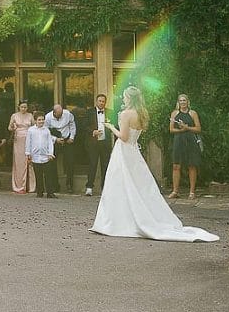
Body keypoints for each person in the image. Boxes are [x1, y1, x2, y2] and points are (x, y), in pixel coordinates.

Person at [89, 86, 219, 242]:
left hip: (123, 152)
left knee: (118, 184)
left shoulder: (126, 114)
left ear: (129, 98)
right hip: (134, 152)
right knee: (138, 186)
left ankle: (115, 222)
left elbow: (123, 137)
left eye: (124, 96)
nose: (123, 99)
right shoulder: (141, 114)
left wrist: (110, 127)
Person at [168, 94, 204, 200]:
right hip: (178, 141)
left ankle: (192, 192)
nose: (182, 102)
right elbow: (171, 129)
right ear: (178, 102)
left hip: (191, 141)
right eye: (180, 101)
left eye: (184, 100)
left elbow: (198, 129)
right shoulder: (174, 113)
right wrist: (181, 130)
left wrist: (187, 127)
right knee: (176, 165)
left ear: (188, 102)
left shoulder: (193, 113)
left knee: (192, 165)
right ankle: (175, 191)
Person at [83, 94, 113, 197]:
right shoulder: (89, 112)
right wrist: (93, 131)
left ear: (105, 102)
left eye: (103, 101)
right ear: (96, 101)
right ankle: (89, 187)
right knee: (92, 165)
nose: (101, 103)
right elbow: (84, 126)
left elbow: (114, 126)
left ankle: (104, 188)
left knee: (105, 166)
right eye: (100, 101)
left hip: (105, 143)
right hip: (93, 144)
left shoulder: (110, 112)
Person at [46, 103, 77, 194]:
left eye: (61, 113)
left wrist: (72, 137)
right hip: (55, 141)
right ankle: (55, 186)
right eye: (58, 115)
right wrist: (55, 139)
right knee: (52, 164)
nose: (60, 116)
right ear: (54, 113)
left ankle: (69, 185)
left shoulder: (68, 114)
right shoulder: (48, 117)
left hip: (67, 140)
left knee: (70, 163)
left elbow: (72, 125)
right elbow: (46, 132)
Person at [27, 112, 57, 198]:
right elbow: (28, 142)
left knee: (48, 175)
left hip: (45, 156)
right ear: (35, 121)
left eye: (42, 119)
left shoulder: (46, 130)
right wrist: (28, 153)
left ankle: (50, 192)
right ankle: (40, 192)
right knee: (38, 175)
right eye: (39, 120)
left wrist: (50, 153)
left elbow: (49, 142)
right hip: (35, 156)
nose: (41, 121)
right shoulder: (31, 130)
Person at [9, 100, 36, 195]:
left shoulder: (30, 116)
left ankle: (30, 186)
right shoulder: (14, 115)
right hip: (18, 140)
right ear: (19, 107)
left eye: (25, 107)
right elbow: (9, 127)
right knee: (19, 162)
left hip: (29, 139)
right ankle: (19, 186)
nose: (23, 109)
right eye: (22, 107)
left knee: (29, 161)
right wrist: (13, 127)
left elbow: (34, 126)